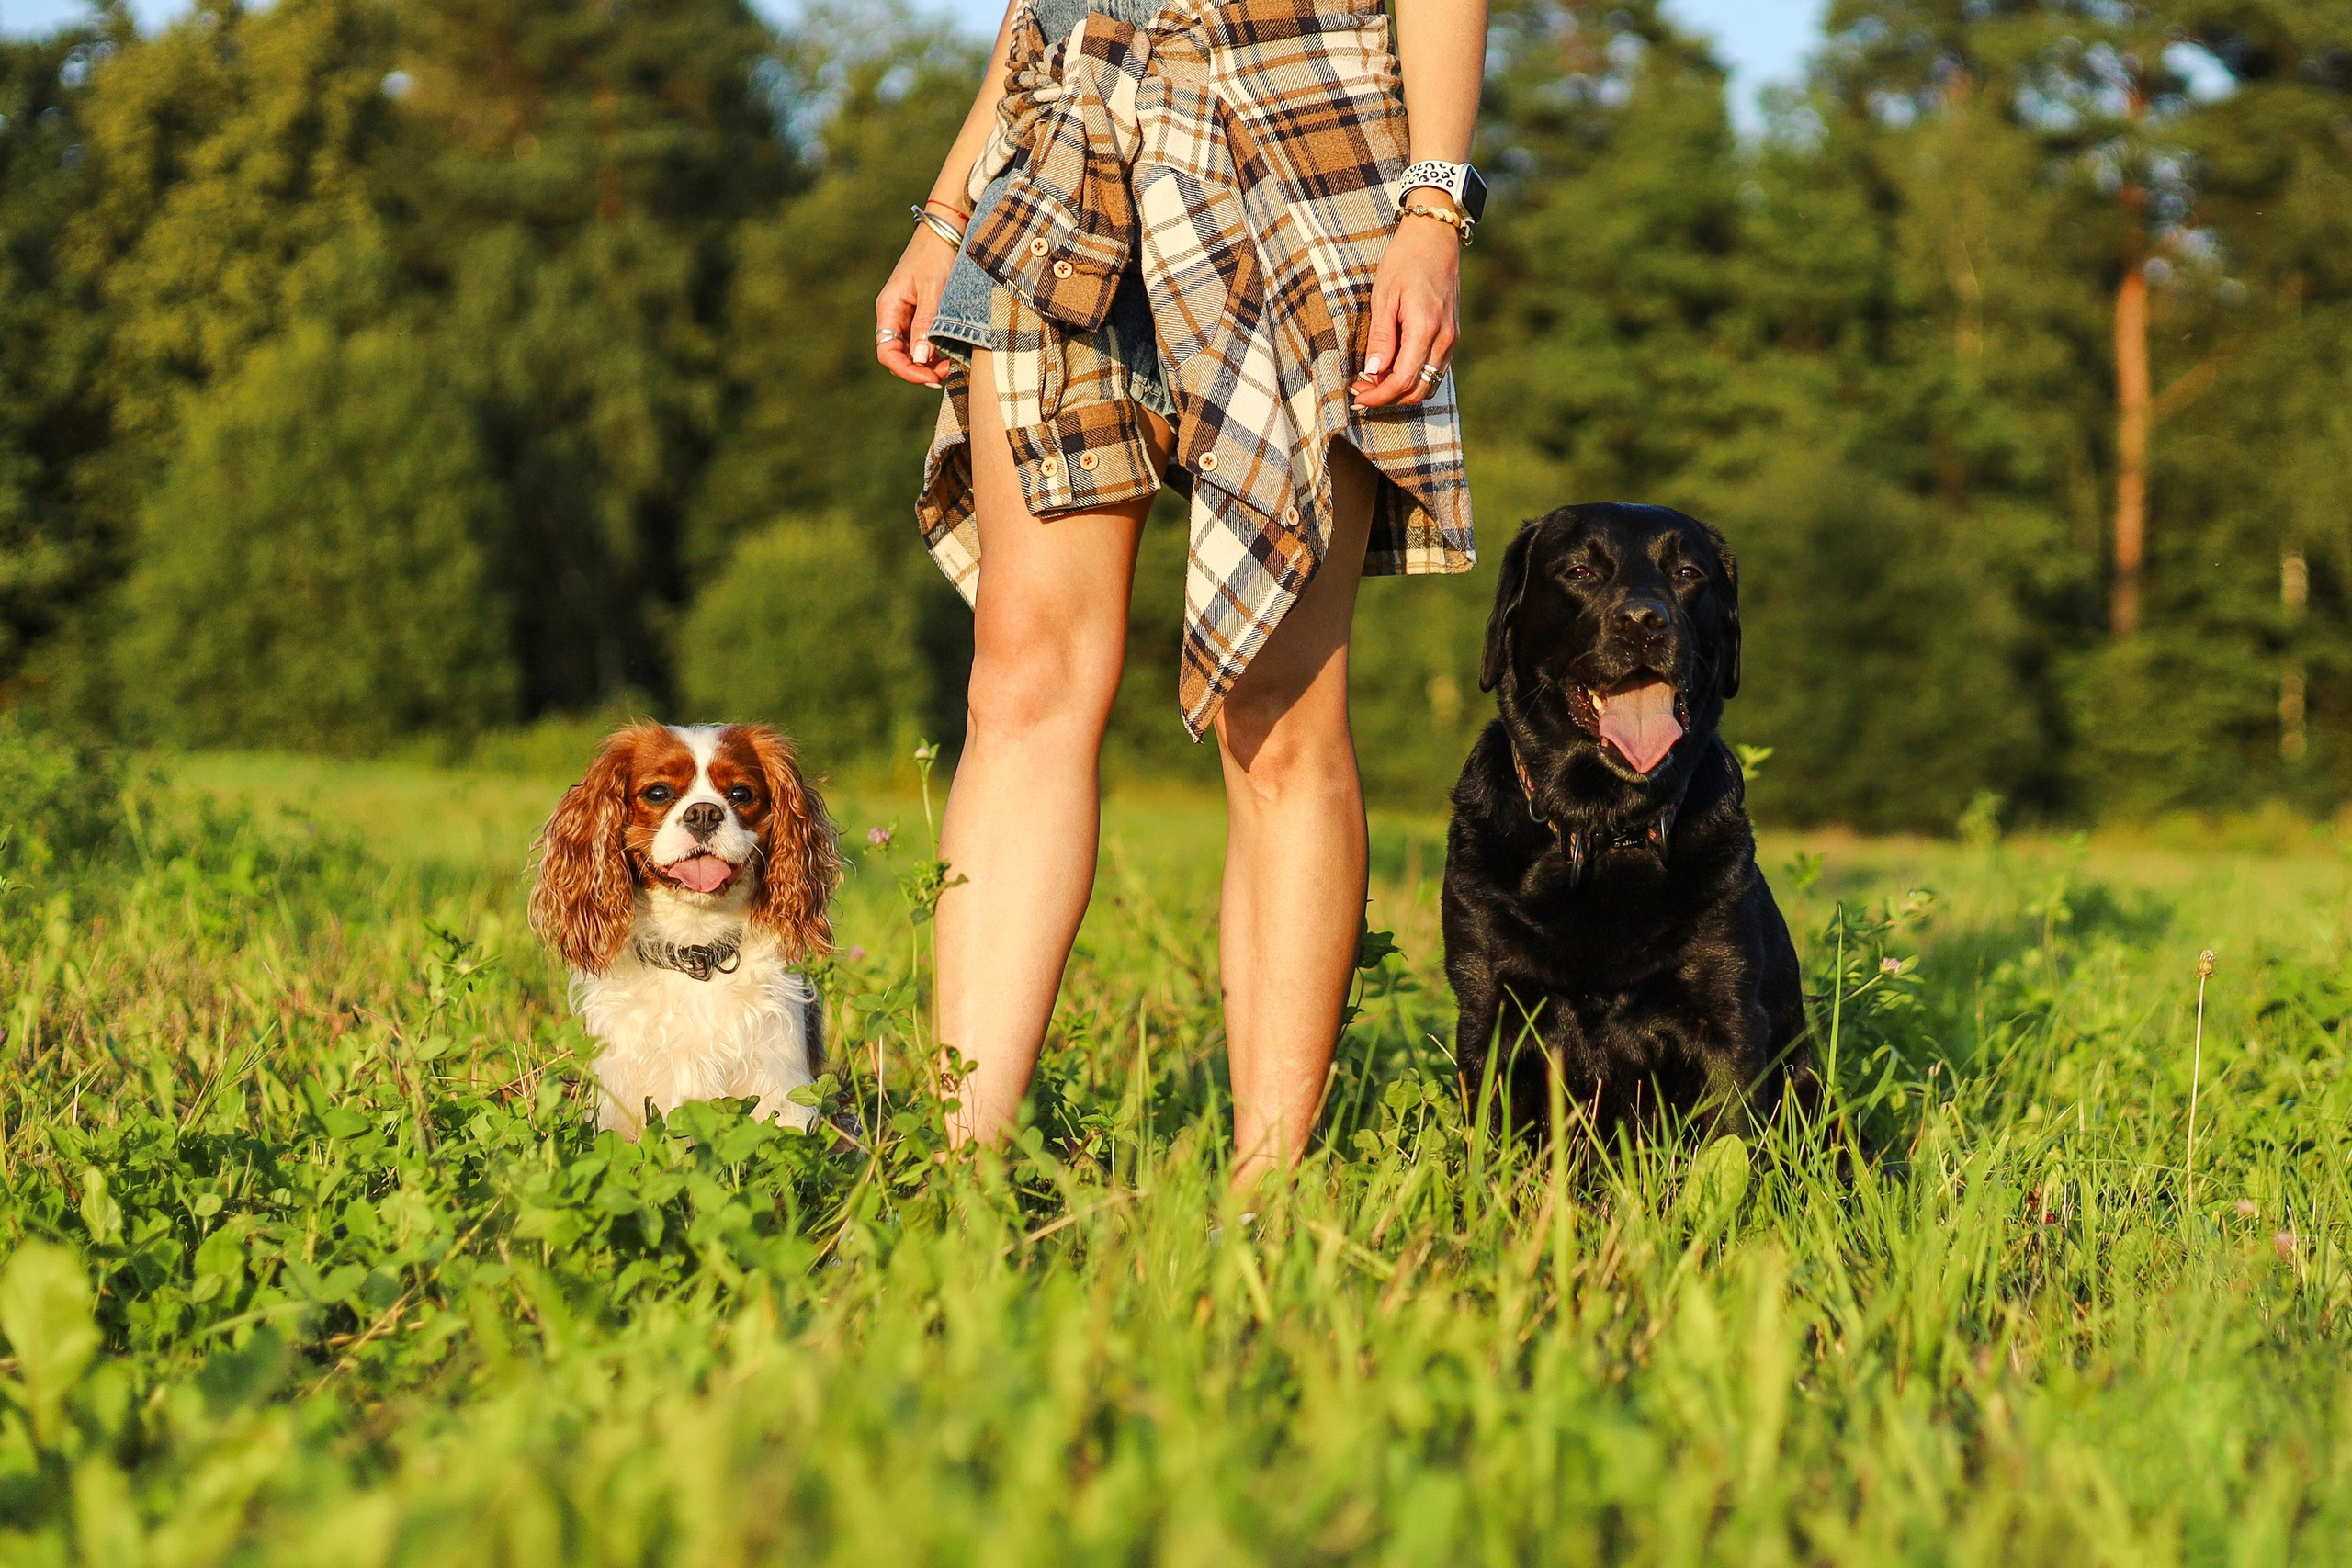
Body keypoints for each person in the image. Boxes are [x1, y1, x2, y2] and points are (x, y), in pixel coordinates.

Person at [874, 0, 1485, 1187]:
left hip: (1297, 135)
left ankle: (1267, 1199)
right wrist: (948, 208)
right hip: (1059, 146)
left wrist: (1432, 209)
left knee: (1280, 715)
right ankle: (960, 1174)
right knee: (1021, 679)